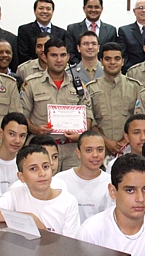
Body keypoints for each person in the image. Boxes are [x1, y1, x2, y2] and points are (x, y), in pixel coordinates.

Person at [21, 38, 93, 171]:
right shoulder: (31, 83)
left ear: (68, 57)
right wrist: (36, 129)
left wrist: (81, 135)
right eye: (54, 55)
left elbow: (88, 114)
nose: (59, 60)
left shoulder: (77, 85)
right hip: (42, 149)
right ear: (45, 57)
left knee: (72, 188)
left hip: (72, 149)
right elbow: (22, 116)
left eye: (63, 55)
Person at [0, 144, 80, 236]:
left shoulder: (68, 202)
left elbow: (70, 245)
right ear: (21, 177)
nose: (42, 173)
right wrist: (27, 218)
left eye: (45, 167)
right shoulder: (16, 194)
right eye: (33, 168)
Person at [88, 42, 143, 156]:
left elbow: (139, 118)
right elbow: (90, 120)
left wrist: (124, 142)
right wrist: (106, 142)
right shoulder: (91, 88)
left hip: (130, 149)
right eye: (108, 59)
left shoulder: (135, 87)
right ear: (101, 61)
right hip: (99, 150)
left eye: (117, 59)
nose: (112, 62)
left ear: (122, 61)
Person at [55, 129, 112, 223]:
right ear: (78, 153)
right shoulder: (61, 180)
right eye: (88, 150)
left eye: (100, 150)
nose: (95, 155)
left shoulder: (111, 182)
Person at [17, 0, 73, 66]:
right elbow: (23, 55)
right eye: (41, 8)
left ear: (52, 12)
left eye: (48, 9)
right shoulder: (24, 30)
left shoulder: (62, 33)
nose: (45, 11)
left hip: (56, 69)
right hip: (32, 69)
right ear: (35, 11)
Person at [67, 0, 118, 64]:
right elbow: (70, 53)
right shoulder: (72, 29)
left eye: (96, 7)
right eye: (90, 7)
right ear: (84, 9)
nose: (93, 10)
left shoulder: (111, 30)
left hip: (104, 71)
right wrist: (84, 68)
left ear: (102, 9)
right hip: (79, 71)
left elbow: (113, 53)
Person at [0, 112, 29, 194]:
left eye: (22, 136)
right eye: (11, 134)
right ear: (1, 133)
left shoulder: (26, 163)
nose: (17, 141)